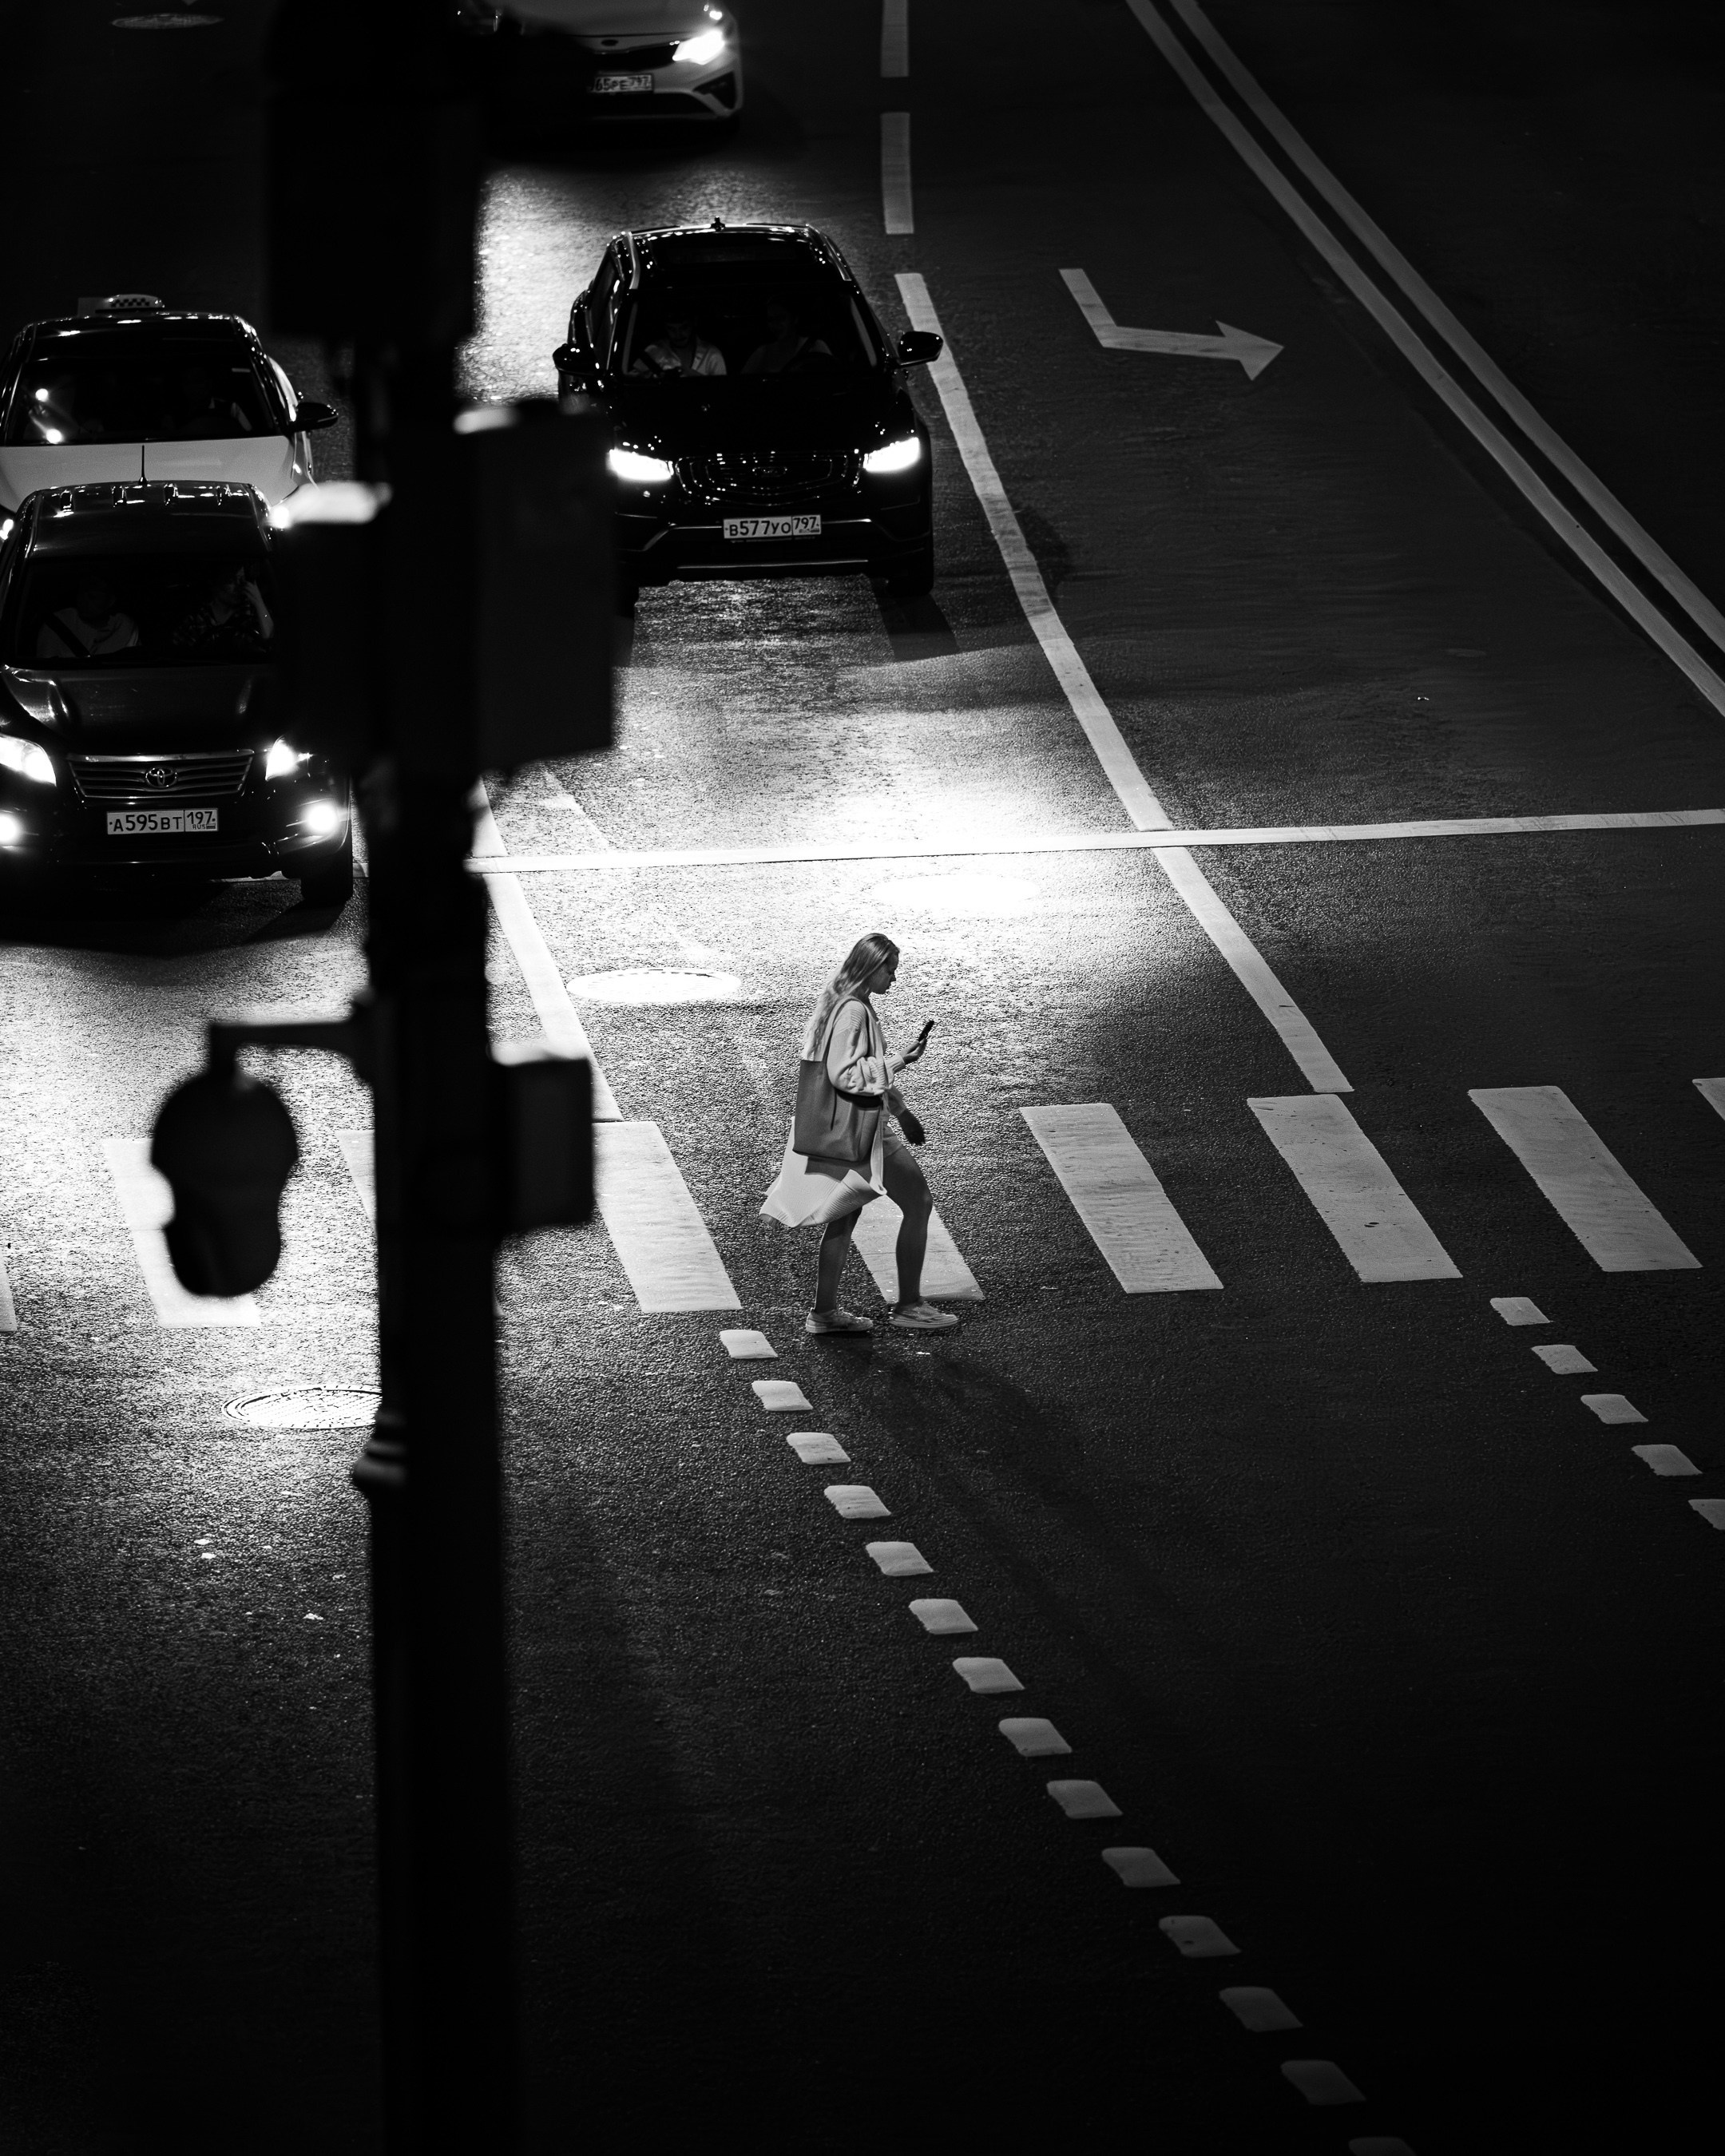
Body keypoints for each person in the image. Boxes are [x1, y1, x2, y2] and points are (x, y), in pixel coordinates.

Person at [760, 931, 958, 1334]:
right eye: (890, 969)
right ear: (872, 966)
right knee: (918, 1203)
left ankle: (825, 1313)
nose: (894, 979)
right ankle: (908, 1305)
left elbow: (858, 1068)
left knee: (845, 1218)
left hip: (846, 1127)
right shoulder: (853, 1011)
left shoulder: (841, 1003)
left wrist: (902, 1112)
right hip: (864, 1132)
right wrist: (902, 1059)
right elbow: (847, 1075)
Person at [171, 561, 273, 654]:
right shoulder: (197, 619)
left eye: (241, 579)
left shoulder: (251, 611)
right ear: (214, 583)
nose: (239, 586)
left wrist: (259, 602)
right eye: (231, 581)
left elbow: (270, 640)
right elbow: (179, 656)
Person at [34, 576, 140, 661]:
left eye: (92, 596)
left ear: (111, 600)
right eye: (81, 594)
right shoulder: (59, 623)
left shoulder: (124, 627)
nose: (83, 601)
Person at [742, 298, 832, 376]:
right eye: (771, 320)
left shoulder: (815, 346)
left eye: (780, 319)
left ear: (794, 319)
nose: (775, 325)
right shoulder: (763, 351)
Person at [631, 303, 726, 378]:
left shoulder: (712, 355)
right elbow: (631, 380)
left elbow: (722, 391)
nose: (678, 334)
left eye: (684, 328)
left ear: (693, 323)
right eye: (672, 329)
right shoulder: (653, 352)